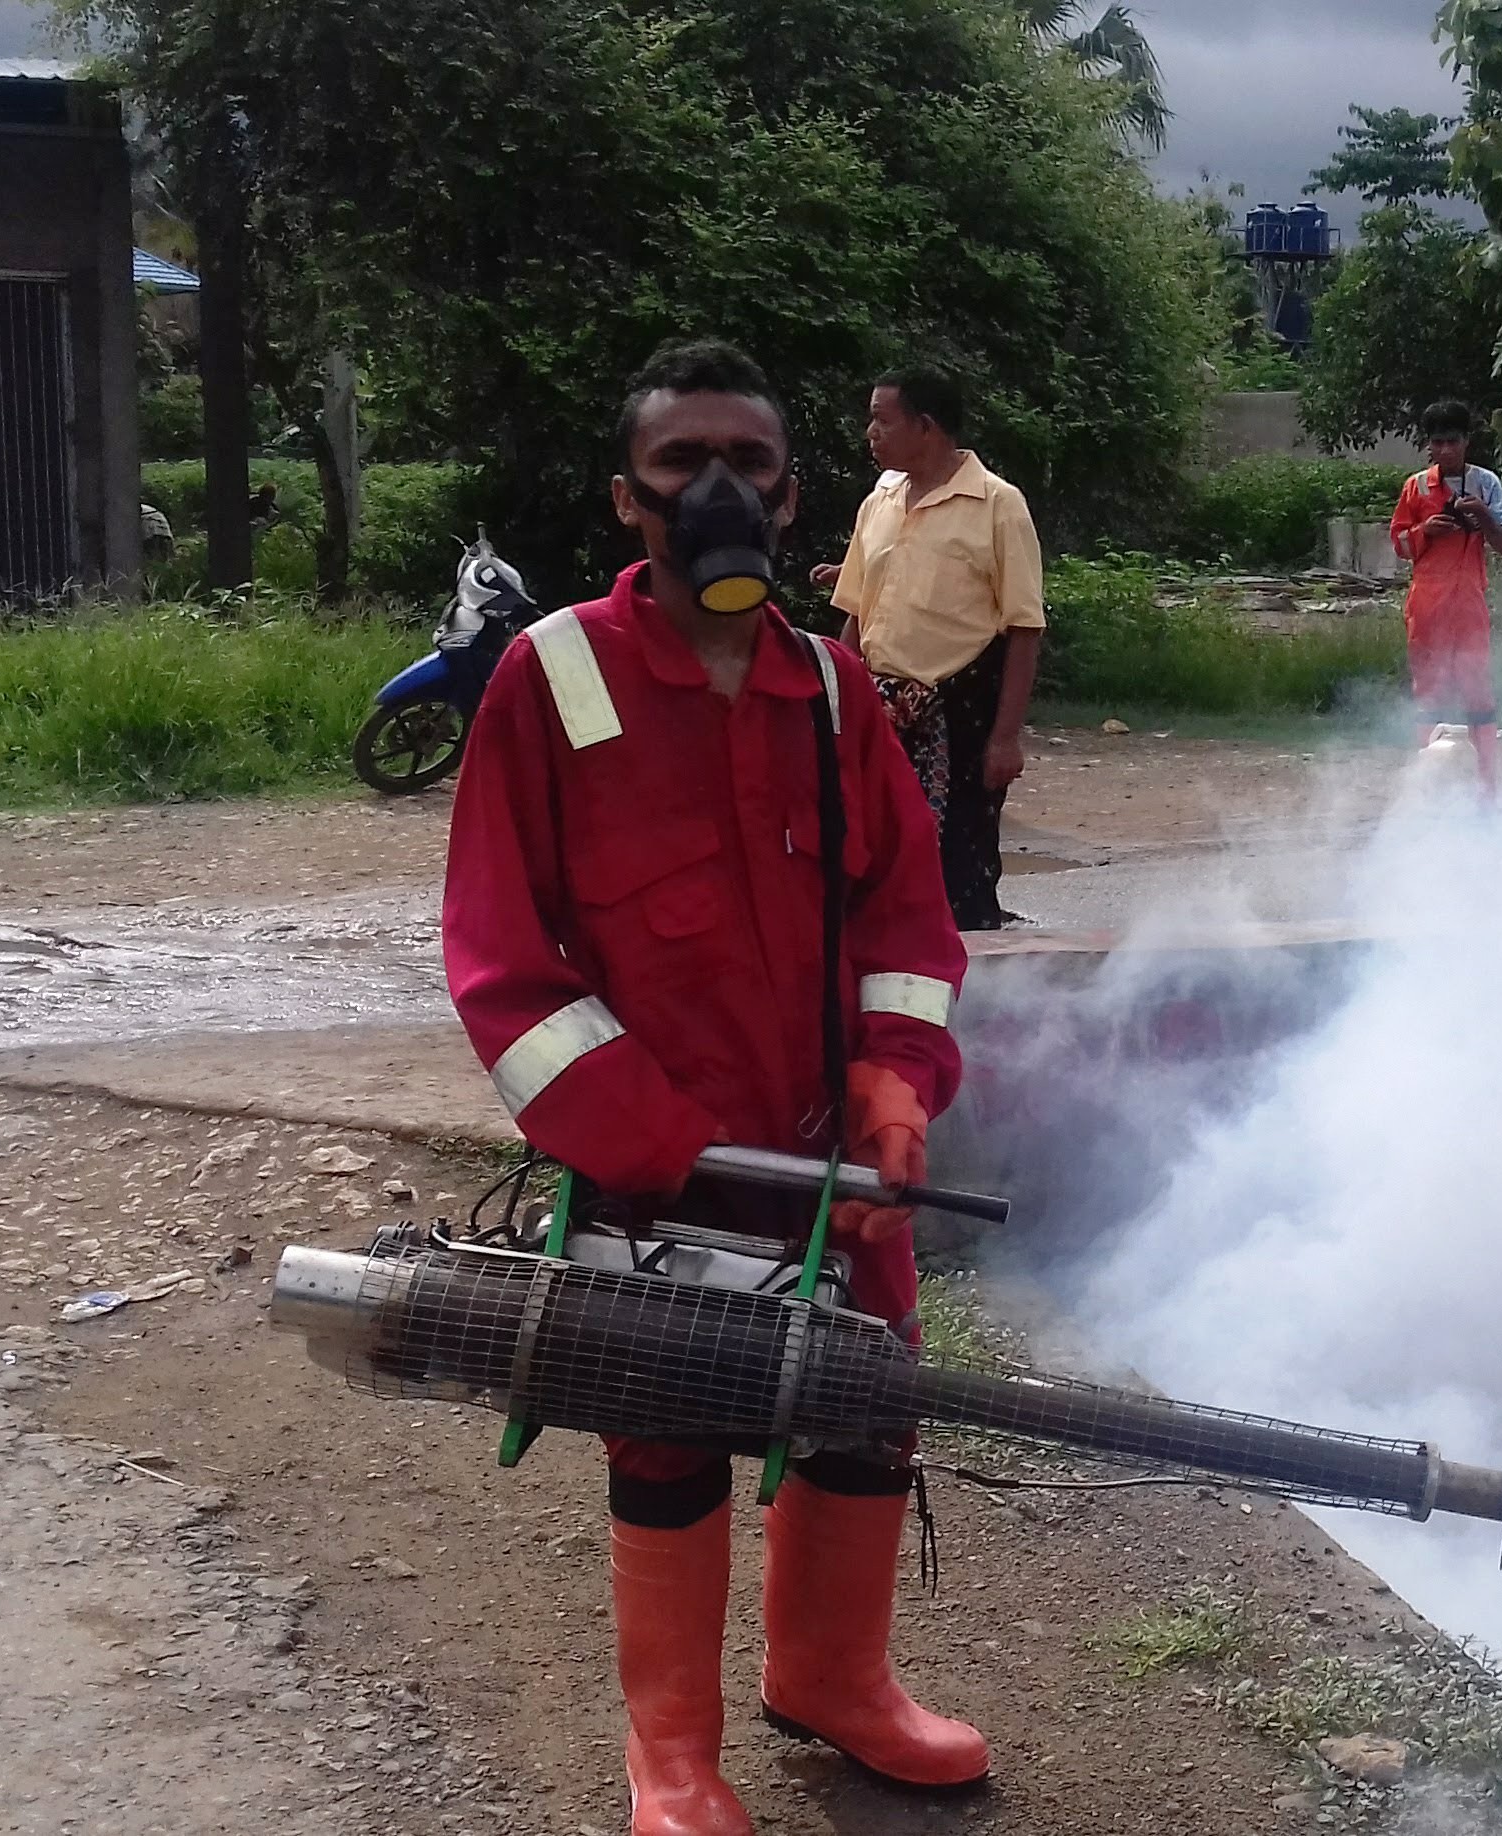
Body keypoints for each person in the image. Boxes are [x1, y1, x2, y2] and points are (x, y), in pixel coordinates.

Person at [442, 339, 989, 1831]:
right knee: (668, 1421)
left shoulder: (829, 691)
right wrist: (655, 1145)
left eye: (747, 462)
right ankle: (670, 1759)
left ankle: (834, 1682)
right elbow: (504, 967)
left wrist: (897, 1084)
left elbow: (903, 918)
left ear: (795, 491)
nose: (718, 490)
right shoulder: (550, 683)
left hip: (834, 1156)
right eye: (684, 465)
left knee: (868, 1400)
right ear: (630, 500)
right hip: (658, 1157)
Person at [812, 370, 1045, 931]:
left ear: (926, 427)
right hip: (882, 706)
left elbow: (1024, 627)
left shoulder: (996, 505)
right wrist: (838, 705)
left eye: (882, 420)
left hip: (962, 708)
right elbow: (858, 611)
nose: (870, 432)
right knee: (868, 851)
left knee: (958, 862)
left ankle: (972, 976)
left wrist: (1006, 737)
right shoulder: (881, 500)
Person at [1387, 401, 1502, 789]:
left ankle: (1487, 786)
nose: (1445, 450)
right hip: (1427, 603)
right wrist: (1427, 529)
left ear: (1466, 442)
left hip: (1469, 601)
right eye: (1437, 443)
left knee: (1477, 686)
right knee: (1428, 687)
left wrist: (1483, 517)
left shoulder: (1487, 484)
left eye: (1453, 442)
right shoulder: (1416, 486)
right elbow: (1399, 546)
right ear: (1429, 445)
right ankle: (1430, 780)